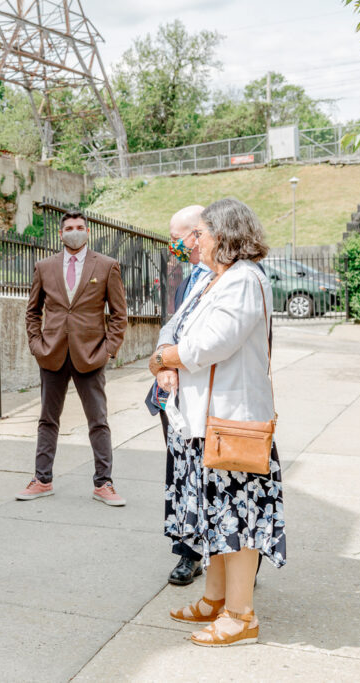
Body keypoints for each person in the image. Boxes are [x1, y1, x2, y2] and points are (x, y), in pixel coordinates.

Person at [148, 197, 285, 647]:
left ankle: (241, 615)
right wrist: (168, 353)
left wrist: (165, 357)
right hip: (204, 422)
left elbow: (211, 344)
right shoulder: (216, 280)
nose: (195, 240)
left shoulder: (243, 279)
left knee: (236, 522)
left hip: (232, 423)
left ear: (224, 236)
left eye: (202, 232)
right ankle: (215, 598)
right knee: (212, 516)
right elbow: (179, 327)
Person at [17, 210, 128, 506]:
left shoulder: (106, 265)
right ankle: (42, 480)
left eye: (80, 227)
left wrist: (108, 350)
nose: (74, 231)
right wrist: (36, 344)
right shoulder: (44, 266)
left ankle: (104, 484)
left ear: (87, 231)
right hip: (51, 353)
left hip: (90, 355)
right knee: (47, 419)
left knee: (98, 421)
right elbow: (33, 311)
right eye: (69, 228)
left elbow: (119, 315)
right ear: (60, 233)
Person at [144, 205, 209, 587]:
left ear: (198, 233)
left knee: (216, 476)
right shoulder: (188, 277)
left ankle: (237, 562)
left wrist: (169, 358)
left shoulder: (230, 277)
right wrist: (165, 364)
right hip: (177, 394)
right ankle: (189, 551)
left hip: (210, 395)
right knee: (182, 475)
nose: (174, 244)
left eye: (177, 235)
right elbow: (171, 325)